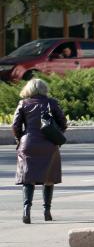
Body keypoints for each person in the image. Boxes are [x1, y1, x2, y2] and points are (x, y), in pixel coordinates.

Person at [12, 78, 67, 224]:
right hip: (49, 144)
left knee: (27, 179)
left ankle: (26, 210)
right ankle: (47, 211)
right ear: (44, 89)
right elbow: (63, 122)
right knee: (49, 179)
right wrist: (56, 134)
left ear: (28, 89)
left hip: (28, 144)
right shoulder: (51, 103)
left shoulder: (23, 103)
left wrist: (20, 139)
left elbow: (15, 125)